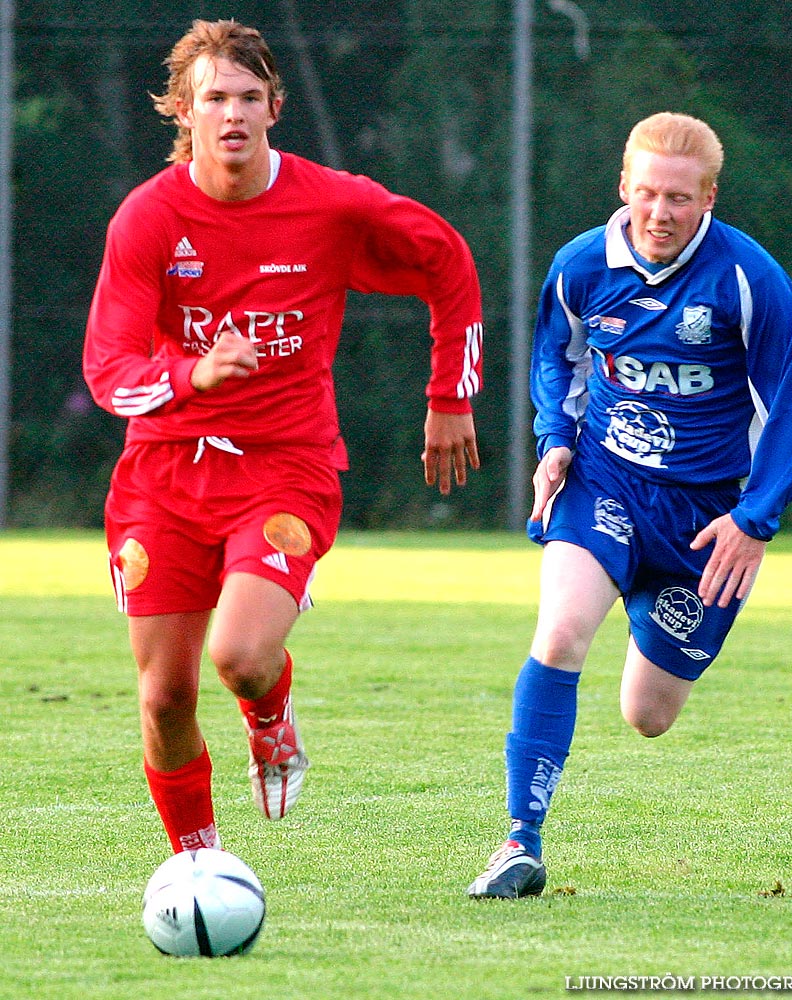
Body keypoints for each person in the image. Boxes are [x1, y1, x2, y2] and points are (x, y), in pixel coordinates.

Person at [83, 19, 483, 854]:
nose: (231, 114)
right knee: (163, 699)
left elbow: (446, 258)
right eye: (213, 99)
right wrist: (194, 375)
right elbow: (108, 370)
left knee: (239, 655)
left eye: (248, 98)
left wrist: (451, 394)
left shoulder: (332, 203)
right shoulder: (148, 220)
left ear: (275, 108)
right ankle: (199, 866)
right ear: (184, 114)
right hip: (163, 472)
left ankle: (271, 715)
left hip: (285, 466)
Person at [467, 112, 792, 899]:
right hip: (604, 487)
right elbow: (555, 359)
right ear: (623, 189)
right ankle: (518, 843)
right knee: (561, 633)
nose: (659, 214)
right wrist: (556, 438)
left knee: (648, 714)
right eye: (645, 194)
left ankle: (648, 603)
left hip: (706, 521)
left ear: (709, 198)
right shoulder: (580, 268)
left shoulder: (746, 279)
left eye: (678, 198)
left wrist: (754, 517)